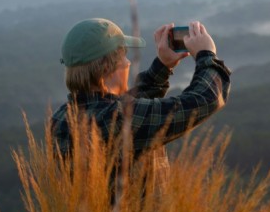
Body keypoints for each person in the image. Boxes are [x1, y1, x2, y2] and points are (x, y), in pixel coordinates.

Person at [50, 18, 231, 171]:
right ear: (106, 68)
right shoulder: (117, 120)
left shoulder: (61, 118)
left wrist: (163, 66)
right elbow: (204, 99)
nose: (128, 62)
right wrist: (206, 55)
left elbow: (123, 107)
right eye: (124, 55)